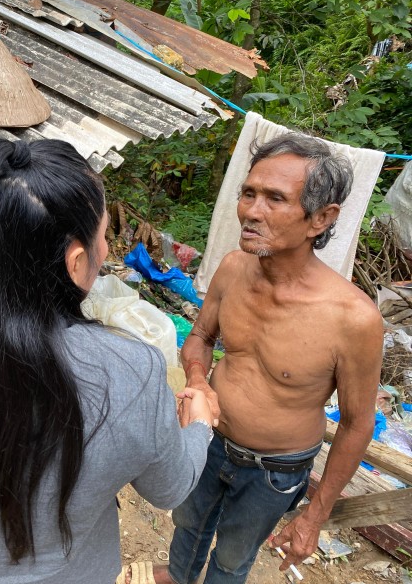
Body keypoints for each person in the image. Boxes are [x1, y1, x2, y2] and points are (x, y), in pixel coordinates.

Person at [0, 139, 214, 584]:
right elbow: (169, 487)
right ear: (76, 260)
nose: (107, 249)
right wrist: (199, 425)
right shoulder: (135, 372)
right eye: (103, 234)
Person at [154, 133, 383, 584]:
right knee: (187, 526)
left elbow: (358, 423)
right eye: (249, 193)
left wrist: (315, 516)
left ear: (321, 217)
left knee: (233, 557)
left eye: (275, 199)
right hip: (208, 438)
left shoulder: (353, 319)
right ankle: (178, 577)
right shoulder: (233, 268)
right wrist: (198, 381)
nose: (251, 212)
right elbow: (200, 336)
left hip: (275, 472)